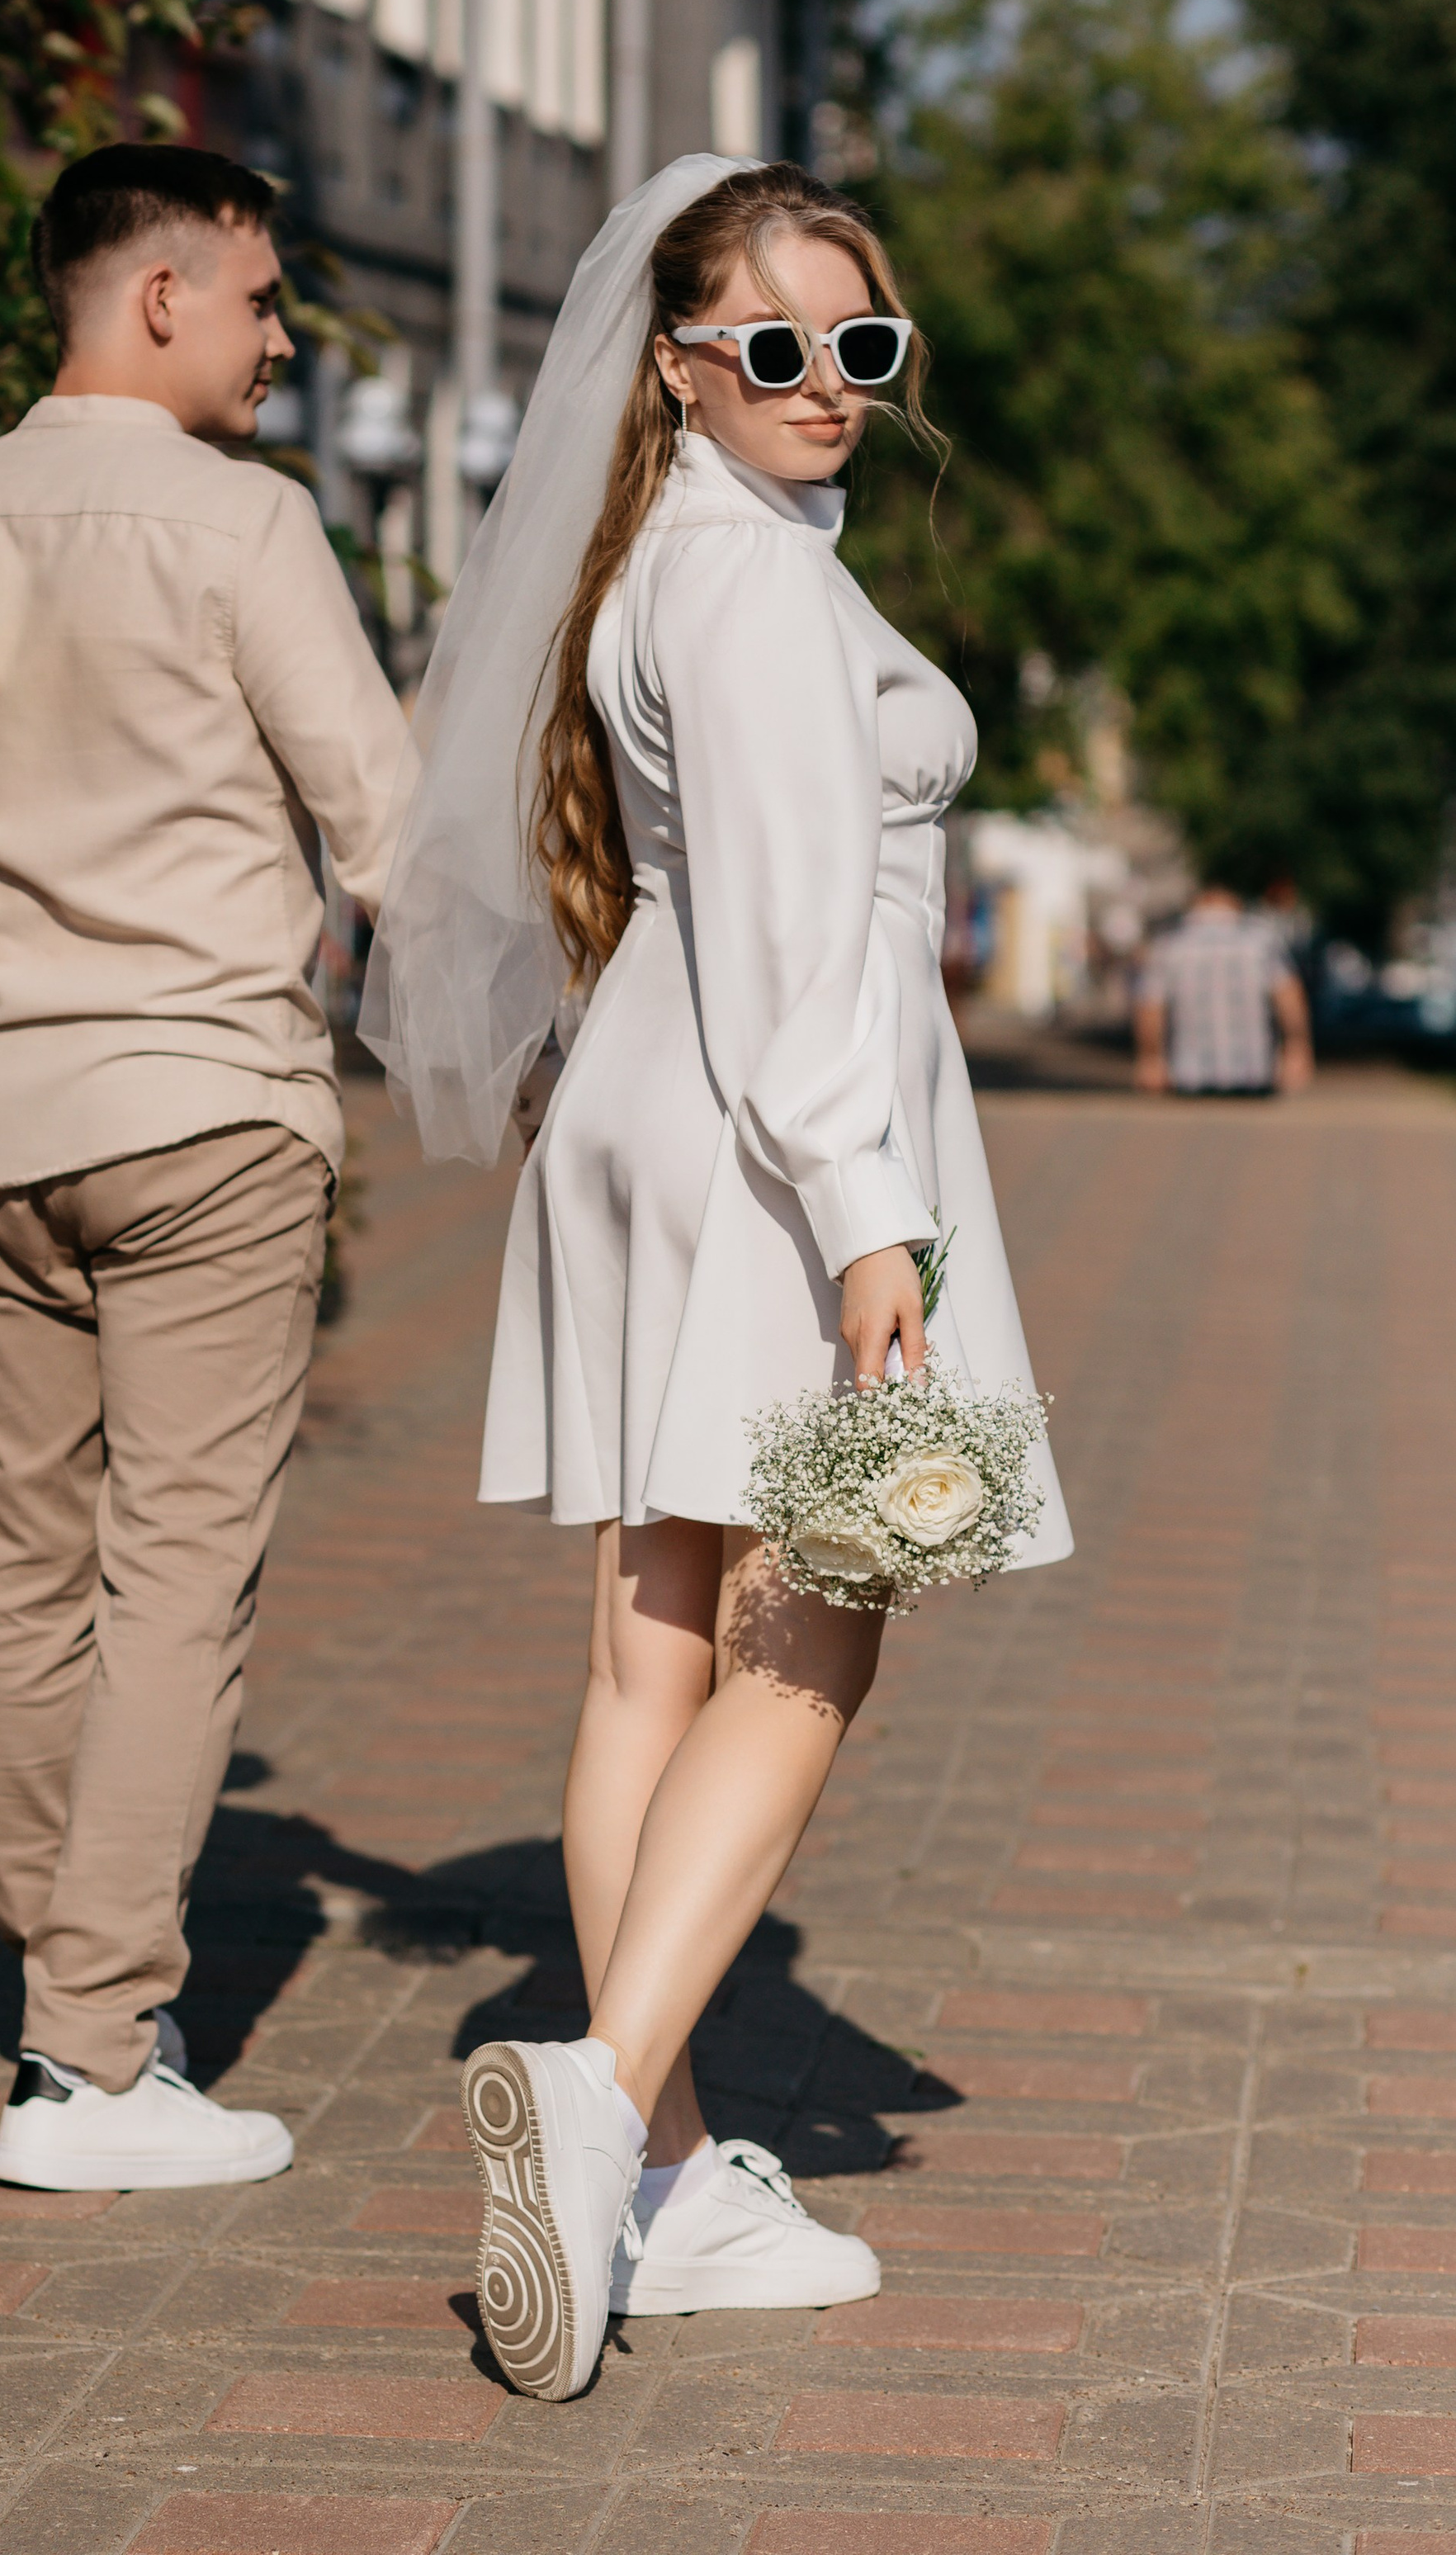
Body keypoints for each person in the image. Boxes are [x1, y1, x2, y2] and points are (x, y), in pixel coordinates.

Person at [363, 158, 1072, 2401]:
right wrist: (870, 1208)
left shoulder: (669, 560)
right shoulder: (751, 589)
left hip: (654, 1097)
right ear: (681, 361)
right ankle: (604, 2096)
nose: (827, 388)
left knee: (654, 1642)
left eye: (864, 348)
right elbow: (790, 933)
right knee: (814, 1629)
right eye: (776, 349)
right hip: (784, 1119)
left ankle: (660, 2168)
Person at [0, 144, 414, 2191]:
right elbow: (387, 829)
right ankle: (89, 2060)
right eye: (257, 302)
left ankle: (69, 1997)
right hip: (202, 1115)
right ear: (154, 294)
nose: (276, 344)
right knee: (174, 1578)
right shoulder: (246, 527)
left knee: (14, 1571)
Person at [1135, 884, 1314, 1096]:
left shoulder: (1169, 945)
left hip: (1189, 1074)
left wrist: (1151, 1058)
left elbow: (1151, 1007)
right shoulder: (1261, 942)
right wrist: (1296, 1049)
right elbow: (1289, 999)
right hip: (1253, 1071)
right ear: (1234, 905)